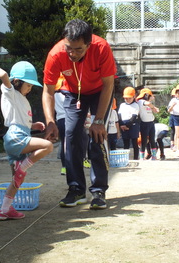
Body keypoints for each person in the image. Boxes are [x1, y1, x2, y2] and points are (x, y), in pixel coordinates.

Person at [42, 19, 116, 209]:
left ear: (89, 44)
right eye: (69, 48)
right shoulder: (56, 54)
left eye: (78, 49)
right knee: (71, 134)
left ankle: (99, 190)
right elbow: (48, 91)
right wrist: (50, 121)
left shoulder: (101, 48)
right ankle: (76, 189)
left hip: (100, 93)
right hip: (73, 94)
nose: (72, 53)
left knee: (97, 136)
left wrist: (99, 120)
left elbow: (109, 84)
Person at [0, 59, 53, 220]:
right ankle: (22, 166)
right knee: (47, 146)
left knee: (17, 179)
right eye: (28, 85)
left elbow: (18, 119)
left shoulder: (21, 99)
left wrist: (34, 126)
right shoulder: (10, 92)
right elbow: (4, 75)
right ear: (17, 82)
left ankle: (4, 209)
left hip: (19, 136)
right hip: (16, 136)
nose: (30, 89)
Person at [136, 88, 159, 160]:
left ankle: (154, 156)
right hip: (144, 123)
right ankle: (142, 156)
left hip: (151, 123)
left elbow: (156, 111)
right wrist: (153, 107)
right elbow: (148, 104)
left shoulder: (149, 103)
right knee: (144, 140)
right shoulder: (141, 101)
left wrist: (154, 108)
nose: (152, 97)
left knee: (152, 140)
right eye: (151, 95)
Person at [118, 87, 140, 159]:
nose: (127, 100)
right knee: (126, 143)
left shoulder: (135, 105)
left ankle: (136, 158)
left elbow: (134, 117)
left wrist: (127, 125)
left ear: (134, 97)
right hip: (123, 124)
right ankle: (125, 158)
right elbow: (119, 116)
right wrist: (121, 125)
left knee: (134, 143)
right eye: (126, 98)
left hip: (132, 124)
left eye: (129, 98)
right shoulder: (122, 105)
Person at [54, 75, 67, 175]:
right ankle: (71, 165)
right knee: (71, 144)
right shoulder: (65, 96)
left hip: (60, 120)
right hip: (68, 119)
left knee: (63, 143)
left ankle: (64, 167)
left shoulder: (54, 95)